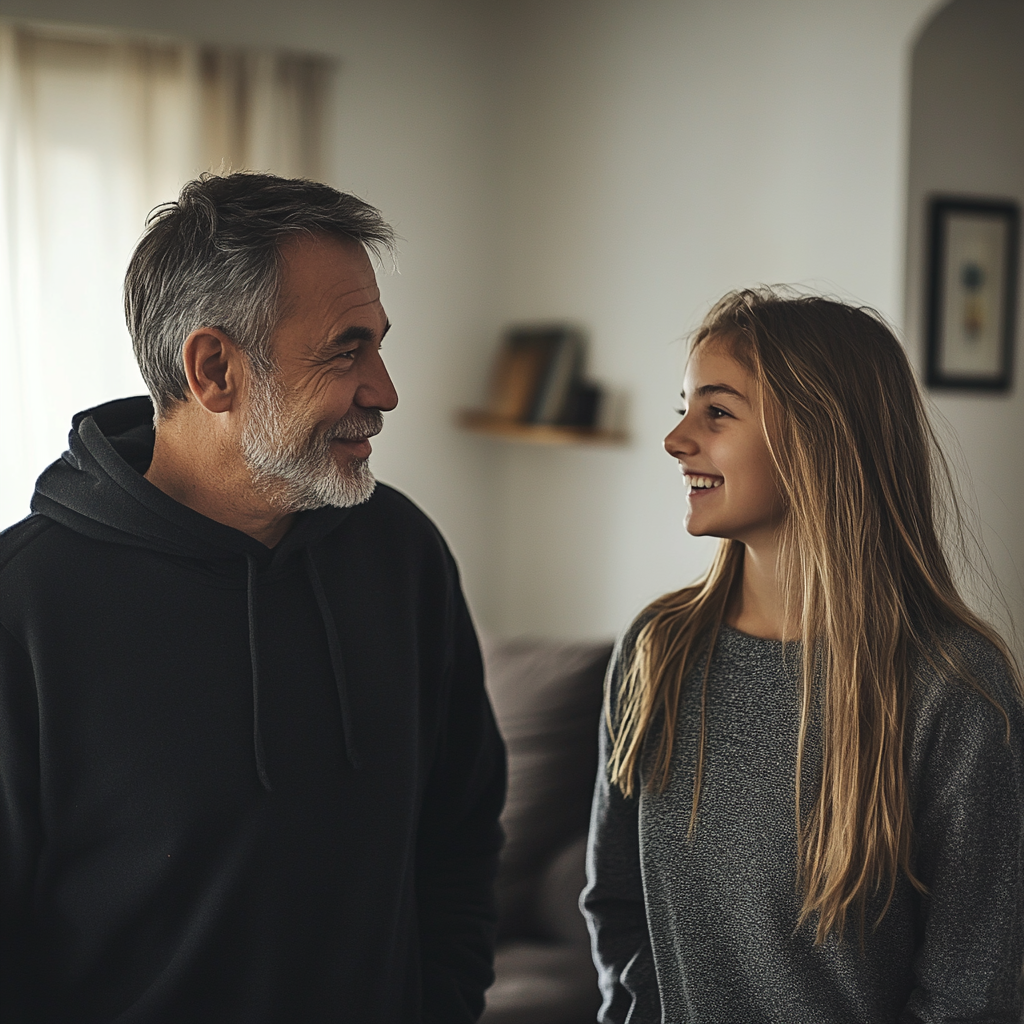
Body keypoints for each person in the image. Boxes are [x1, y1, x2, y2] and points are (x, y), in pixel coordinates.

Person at [0, 172, 506, 1024]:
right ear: (214, 369)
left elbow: (460, 835)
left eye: (380, 344)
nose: (385, 390)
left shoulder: (402, 552)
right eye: (347, 348)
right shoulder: (25, 610)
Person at [582, 288, 1024, 1022]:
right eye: (683, 407)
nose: (676, 439)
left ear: (822, 436)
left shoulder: (956, 691)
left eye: (716, 412)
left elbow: (969, 995)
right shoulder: (655, 652)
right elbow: (619, 909)